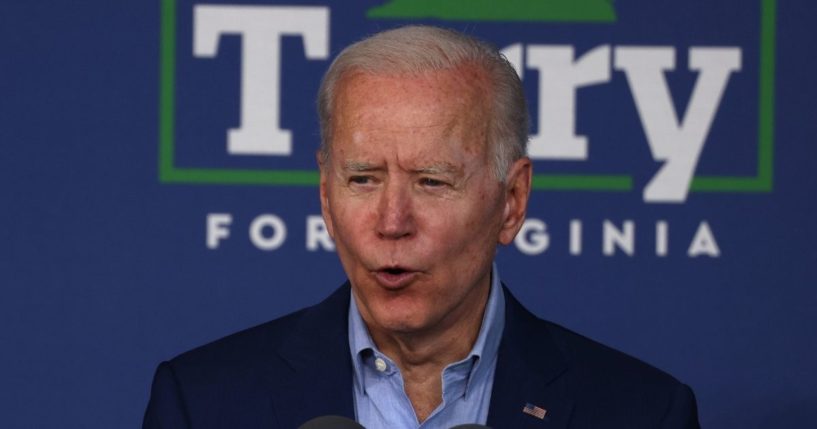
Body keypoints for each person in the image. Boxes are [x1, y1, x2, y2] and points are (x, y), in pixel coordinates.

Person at [143, 25, 700, 429]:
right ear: (324, 195)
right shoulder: (203, 404)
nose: (392, 222)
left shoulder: (642, 413)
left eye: (432, 181)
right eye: (362, 179)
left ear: (512, 200)